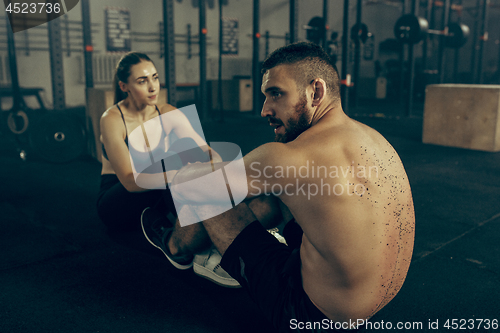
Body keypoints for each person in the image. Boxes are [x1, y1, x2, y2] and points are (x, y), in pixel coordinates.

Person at [142, 42, 415, 332]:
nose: (264, 110)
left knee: (207, 191)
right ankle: (215, 243)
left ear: (316, 92)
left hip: (309, 316)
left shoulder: (286, 156)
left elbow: (195, 190)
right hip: (376, 302)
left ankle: (176, 246)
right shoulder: (376, 141)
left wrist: (199, 164)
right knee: (273, 193)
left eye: (276, 94)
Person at [96, 51, 239, 287]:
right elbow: (131, 181)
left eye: (154, 77)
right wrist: (180, 176)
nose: (153, 87)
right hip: (117, 201)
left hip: (156, 196)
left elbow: (209, 154)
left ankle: (217, 237)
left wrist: (206, 174)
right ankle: (206, 248)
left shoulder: (168, 112)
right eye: (142, 81)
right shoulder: (112, 118)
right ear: (124, 86)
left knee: (189, 159)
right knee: (175, 163)